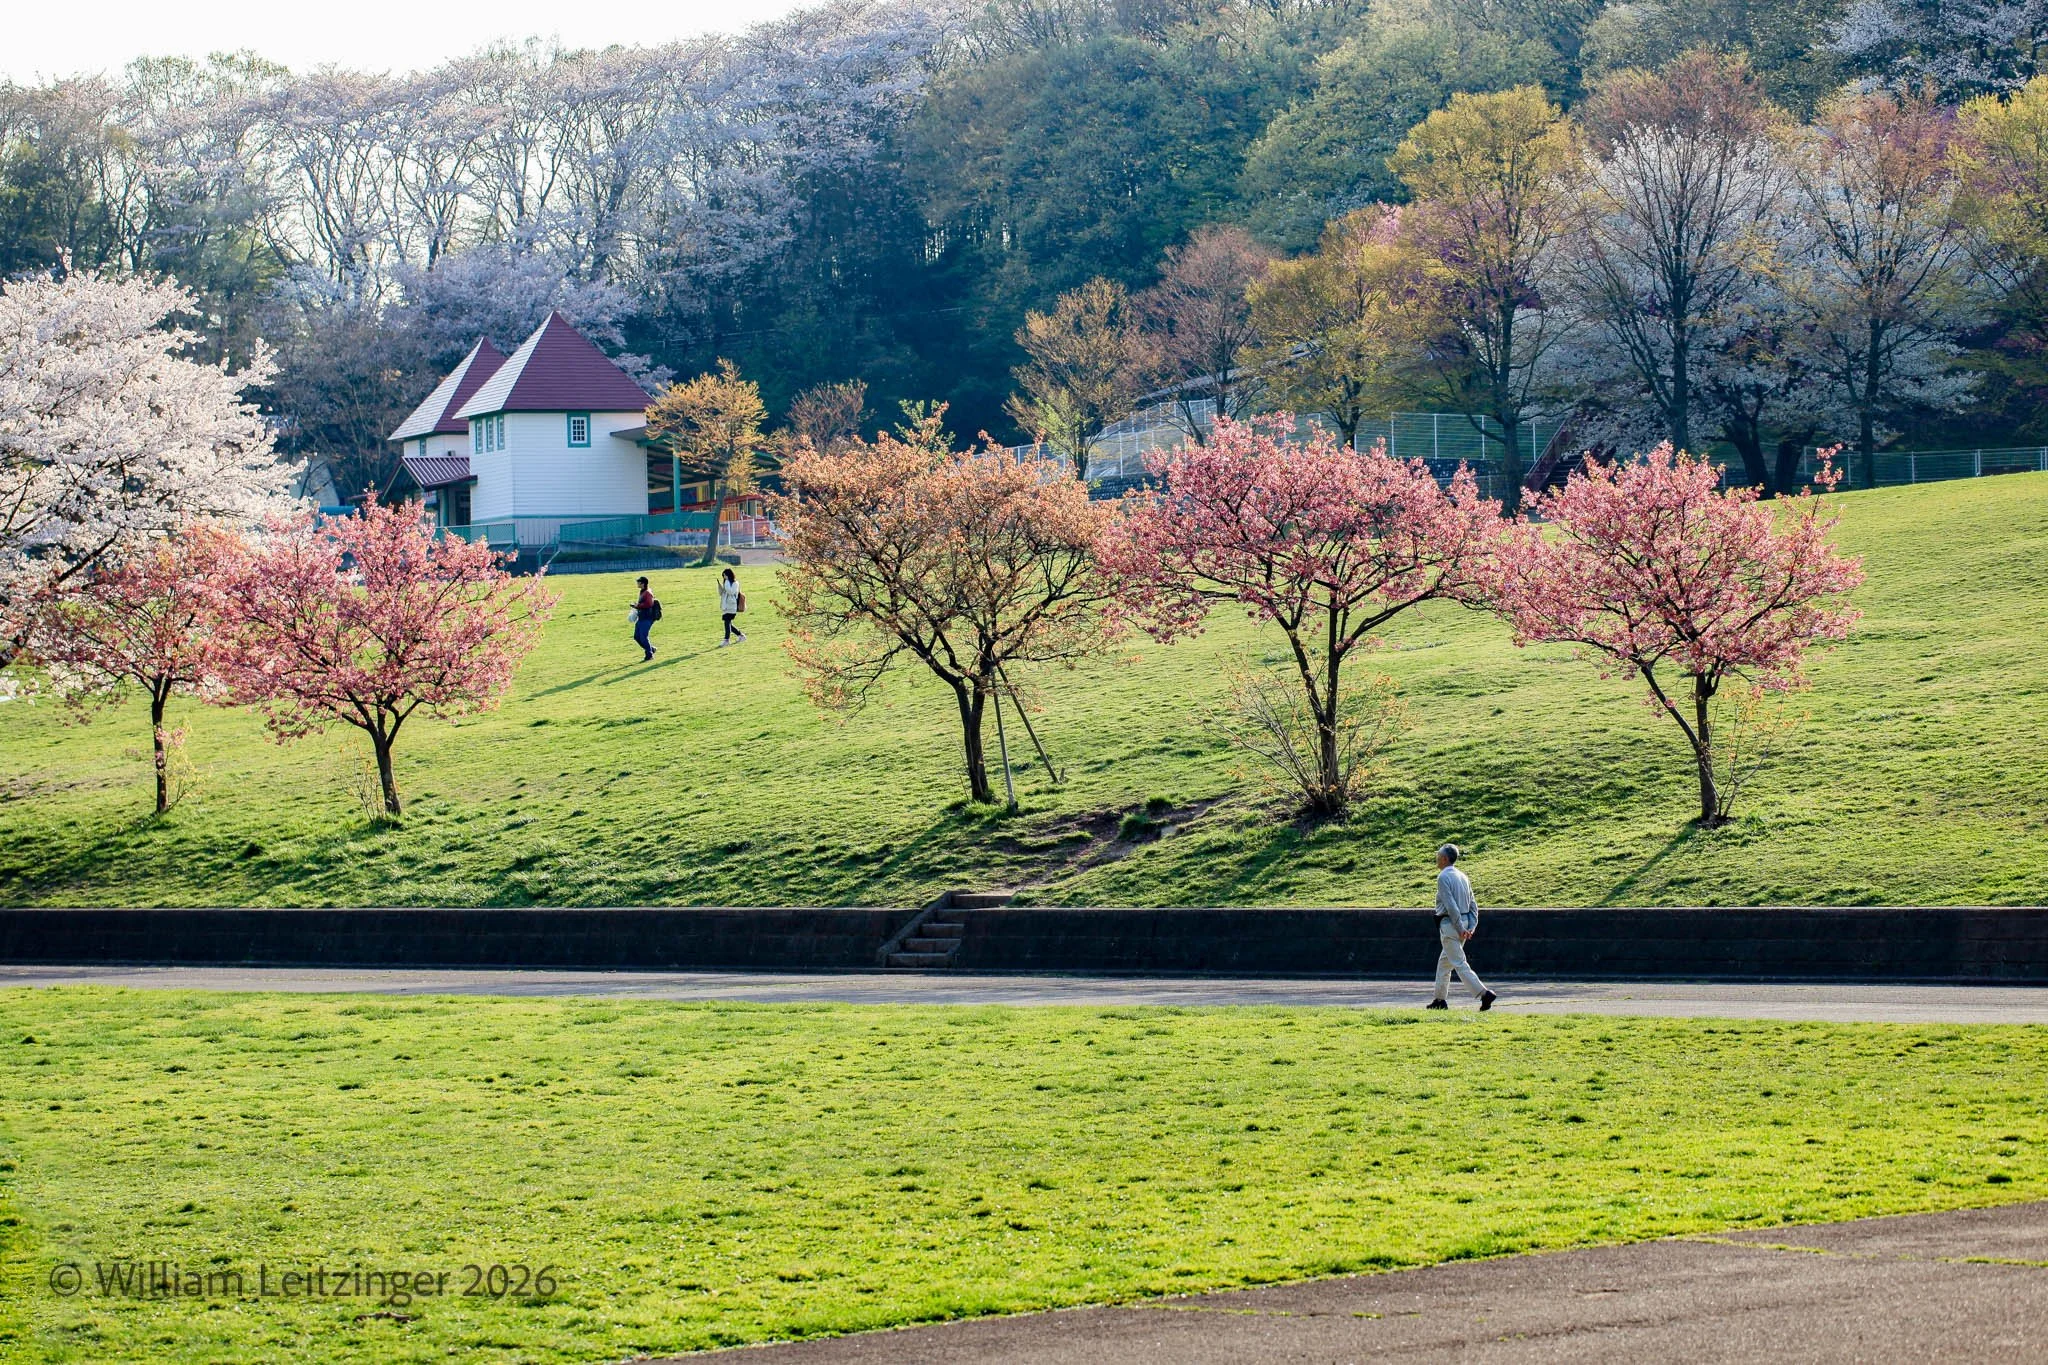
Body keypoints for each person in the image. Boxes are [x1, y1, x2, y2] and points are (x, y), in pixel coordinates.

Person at [1426, 843, 1497, 1011]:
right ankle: (1439, 999)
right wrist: (1471, 926)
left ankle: (1484, 993)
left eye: (1438, 855)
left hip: (1451, 925)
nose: (1436, 858)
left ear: (1444, 858)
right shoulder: (1463, 876)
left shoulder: (1443, 877)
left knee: (1459, 962)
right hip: (1463, 923)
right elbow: (1473, 904)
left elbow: (1451, 906)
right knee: (1444, 963)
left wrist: (1458, 927)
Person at [717, 567, 746, 647]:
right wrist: (720, 587)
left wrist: (726, 582)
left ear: (729, 575)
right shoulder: (726, 583)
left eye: (725, 576)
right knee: (728, 624)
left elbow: (731, 591)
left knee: (727, 623)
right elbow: (722, 593)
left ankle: (726, 640)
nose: (724, 577)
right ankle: (741, 636)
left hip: (731, 606)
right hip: (726, 606)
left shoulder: (735, 583)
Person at [632, 576, 657, 661]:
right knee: (636, 637)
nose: (637, 583)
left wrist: (638, 606)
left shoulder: (647, 593)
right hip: (641, 617)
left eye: (638, 582)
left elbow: (649, 604)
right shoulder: (642, 592)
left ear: (643, 583)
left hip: (647, 618)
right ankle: (651, 649)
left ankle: (649, 655)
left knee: (643, 637)